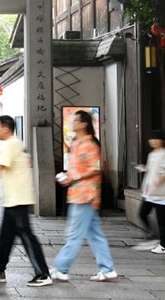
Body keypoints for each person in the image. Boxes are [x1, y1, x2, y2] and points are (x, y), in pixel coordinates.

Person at [0, 115, 52, 287]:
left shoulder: (11, 144)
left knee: (26, 236)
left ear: (6, 128)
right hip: (13, 199)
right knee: (6, 238)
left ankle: (43, 273)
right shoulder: (15, 144)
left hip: (18, 199)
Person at [51, 110, 117, 283]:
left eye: (75, 120)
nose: (72, 123)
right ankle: (107, 269)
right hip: (79, 194)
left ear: (83, 124)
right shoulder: (76, 143)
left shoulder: (90, 144)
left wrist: (75, 177)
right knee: (95, 235)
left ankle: (61, 268)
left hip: (85, 195)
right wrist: (68, 177)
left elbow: (95, 169)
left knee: (74, 234)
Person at [131, 130, 165, 254]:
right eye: (152, 139)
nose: (153, 141)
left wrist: (156, 184)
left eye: (157, 139)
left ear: (162, 141)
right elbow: (151, 172)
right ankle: (154, 235)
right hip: (150, 193)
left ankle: (164, 245)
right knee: (142, 213)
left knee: (162, 219)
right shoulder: (152, 154)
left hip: (162, 194)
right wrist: (145, 185)